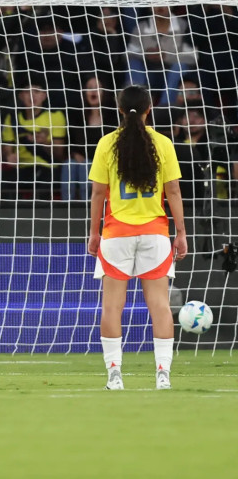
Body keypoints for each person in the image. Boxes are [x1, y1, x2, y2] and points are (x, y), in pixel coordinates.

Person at [87, 84, 187, 391]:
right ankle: (163, 374)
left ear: (118, 109)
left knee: (112, 307)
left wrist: (93, 233)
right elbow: (172, 191)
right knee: (159, 304)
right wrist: (181, 232)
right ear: (149, 110)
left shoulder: (107, 143)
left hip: (116, 233)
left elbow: (98, 193)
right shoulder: (162, 142)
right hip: (155, 233)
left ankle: (114, 373)